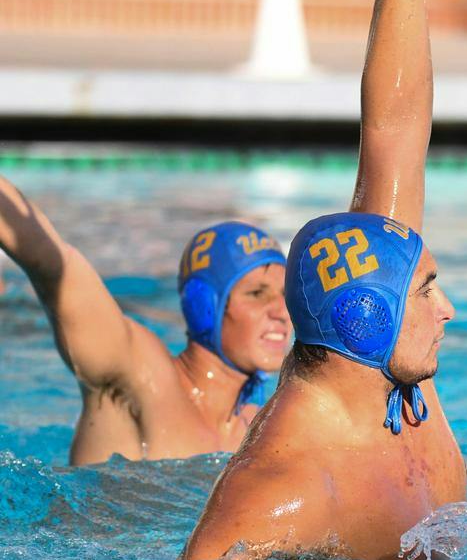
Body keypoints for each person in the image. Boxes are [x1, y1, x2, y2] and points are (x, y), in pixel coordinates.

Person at [172, 0, 461, 560]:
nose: (449, 309)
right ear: (367, 315)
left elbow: (396, 132)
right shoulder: (281, 489)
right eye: (426, 290)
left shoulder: (398, 379)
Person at [0, 186, 291, 465]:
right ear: (204, 306)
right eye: (257, 294)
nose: (282, 312)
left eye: (285, 295)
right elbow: (54, 266)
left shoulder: (261, 430)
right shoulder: (140, 375)